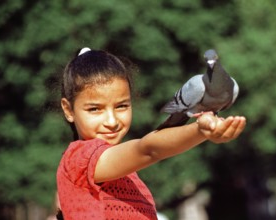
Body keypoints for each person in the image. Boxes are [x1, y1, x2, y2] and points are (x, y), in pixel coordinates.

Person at [56, 47, 246, 220]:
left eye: (121, 106)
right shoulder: (79, 160)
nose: (112, 121)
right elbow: (147, 149)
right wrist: (200, 130)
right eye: (95, 109)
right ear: (69, 110)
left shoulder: (128, 174)